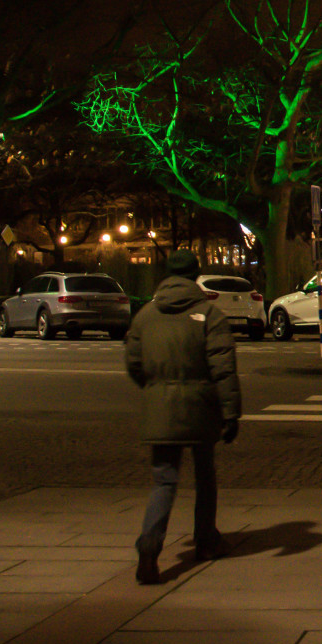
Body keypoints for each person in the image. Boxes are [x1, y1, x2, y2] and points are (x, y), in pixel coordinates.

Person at [125, 249, 241, 585]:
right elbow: (224, 369)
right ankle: (206, 540)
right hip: (201, 407)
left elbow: (134, 364)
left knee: (164, 480)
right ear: (196, 275)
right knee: (205, 476)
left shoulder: (145, 316)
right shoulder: (210, 315)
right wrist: (231, 414)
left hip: (159, 407)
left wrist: (155, 389)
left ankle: (150, 544)